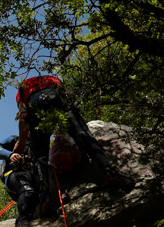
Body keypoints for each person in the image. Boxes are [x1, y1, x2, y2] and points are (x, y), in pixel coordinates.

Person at [10, 75, 133, 214]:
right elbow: (65, 95)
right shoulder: (53, 78)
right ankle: (110, 172)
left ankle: (46, 197)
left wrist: (24, 134)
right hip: (58, 98)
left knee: (40, 154)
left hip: (35, 103)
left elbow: (23, 112)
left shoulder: (22, 88)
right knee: (83, 135)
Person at [0, 135, 38, 226]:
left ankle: (24, 219)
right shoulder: (15, 139)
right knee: (27, 191)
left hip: (34, 177)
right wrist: (10, 155)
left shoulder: (38, 144)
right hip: (16, 173)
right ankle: (23, 223)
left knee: (35, 200)